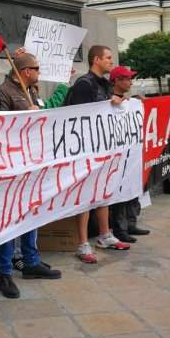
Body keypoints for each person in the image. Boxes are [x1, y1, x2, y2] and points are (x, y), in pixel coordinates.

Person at [0, 52, 62, 300]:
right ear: (26, 71)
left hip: (33, 163)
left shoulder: (31, 90)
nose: (40, 72)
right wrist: (24, 117)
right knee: (10, 222)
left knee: (32, 213)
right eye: (37, 68)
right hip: (12, 167)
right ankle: (5, 273)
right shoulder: (3, 92)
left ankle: (31, 261)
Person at [64, 45, 130, 264]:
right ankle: (82, 244)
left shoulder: (104, 84)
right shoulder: (84, 84)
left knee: (103, 190)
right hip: (86, 149)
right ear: (96, 60)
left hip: (104, 147)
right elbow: (78, 116)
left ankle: (104, 235)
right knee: (84, 195)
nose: (111, 61)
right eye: (108, 57)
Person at [108, 65, 150, 239]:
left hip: (132, 152)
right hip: (117, 154)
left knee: (132, 187)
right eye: (127, 79)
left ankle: (131, 224)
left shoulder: (129, 102)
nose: (131, 83)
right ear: (117, 81)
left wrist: (139, 104)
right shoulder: (108, 101)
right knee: (120, 191)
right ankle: (120, 229)